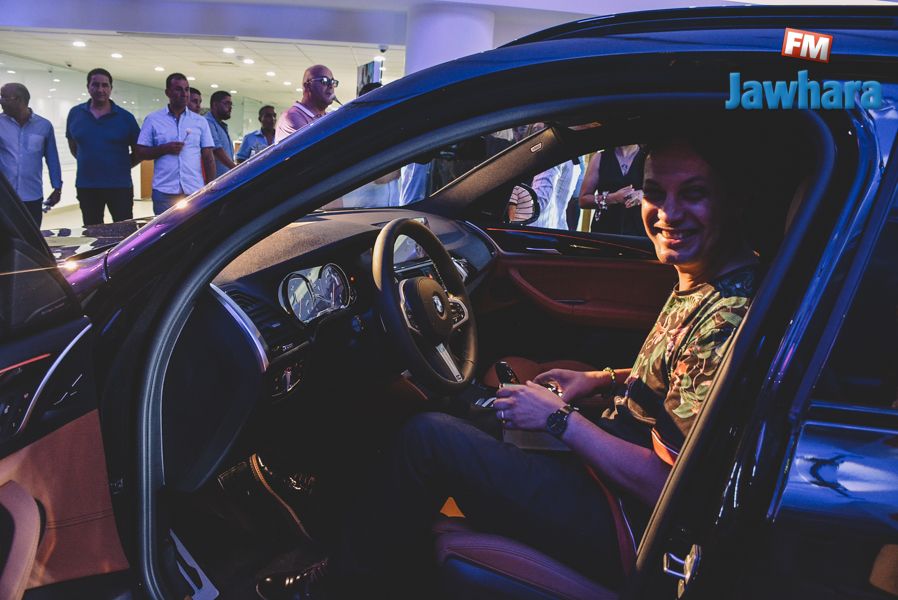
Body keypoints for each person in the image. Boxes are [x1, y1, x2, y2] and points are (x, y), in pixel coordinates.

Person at [257, 133, 761, 599]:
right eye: (654, 193)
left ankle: (339, 585)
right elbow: (678, 380)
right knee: (471, 406)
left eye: (694, 194)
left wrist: (560, 421)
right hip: (611, 479)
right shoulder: (709, 279)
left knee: (427, 437)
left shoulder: (726, 317)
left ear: (736, 201)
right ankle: (378, 547)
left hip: (627, 525)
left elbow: (666, 486)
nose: (668, 213)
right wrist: (599, 379)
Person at [65, 67, 141, 226]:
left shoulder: (126, 117)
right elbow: (73, 146)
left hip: (119, 186)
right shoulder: (75, 114)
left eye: (105, 85)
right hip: (87, 186)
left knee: (124, 231)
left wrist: (121, 166)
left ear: (111, 88)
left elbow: (139, 151)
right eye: (95, 85)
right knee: (92, 231)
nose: (100, 89)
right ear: (88, 87)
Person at [135, 73, 215, 215]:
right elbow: (140, 152)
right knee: (166, 229)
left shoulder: (200, 122)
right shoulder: (153, 119)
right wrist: (164, 149)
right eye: (178, 89)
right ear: (168, 92)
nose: (184, 94)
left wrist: (210, 188)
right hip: (164, 192)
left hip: (194, 191)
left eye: (187, 89)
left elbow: (208, 157)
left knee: (195, 228)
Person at [0, 83, 61, 227]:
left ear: (20, 100)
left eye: (4, 97)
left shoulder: (44, 126)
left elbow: (52, 158)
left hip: (32, 196)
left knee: (32, 237)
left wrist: (57, 187)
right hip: (4, 197)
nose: (1, 101)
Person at [578, 144, 647, 235]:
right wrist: (612, 198)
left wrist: (644, 195)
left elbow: (662, 194)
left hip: (638, 231)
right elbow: (583, 200)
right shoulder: (600, 158)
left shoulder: (648, 158)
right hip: (605, 230)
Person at [274, 64, 337, 143]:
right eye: (324, 81)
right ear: (307, 86)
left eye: (333, 82)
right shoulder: (292, 116)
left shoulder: (327, 116)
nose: (331, 86)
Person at [205, 90, 236, 178]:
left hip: (225, 178)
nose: (230, 108)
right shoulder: (207, 122)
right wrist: (236, 169)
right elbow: (217, 150)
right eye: (226, 103)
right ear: (215, 105)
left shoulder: (220, 125)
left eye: (231, 104)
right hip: (215, 180)